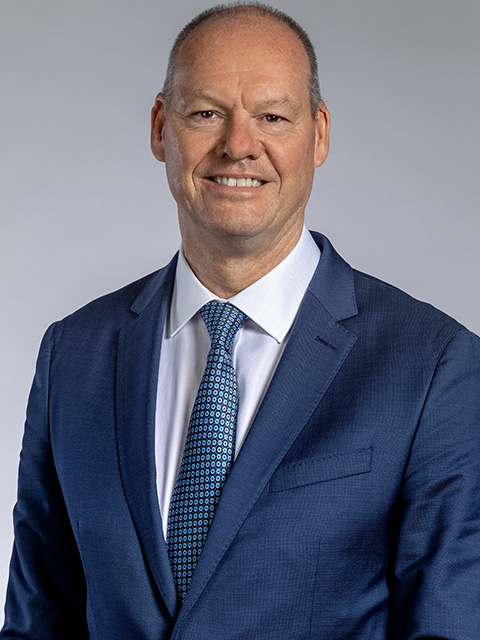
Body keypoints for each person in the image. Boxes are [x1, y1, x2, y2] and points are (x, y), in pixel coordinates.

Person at [2, 3, 480, 638]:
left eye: (273, 117)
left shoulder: (434, 366)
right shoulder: (74, 353)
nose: (238, 146)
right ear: (159, 128)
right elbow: (40, 621)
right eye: (205, 113)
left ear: (320, 134)